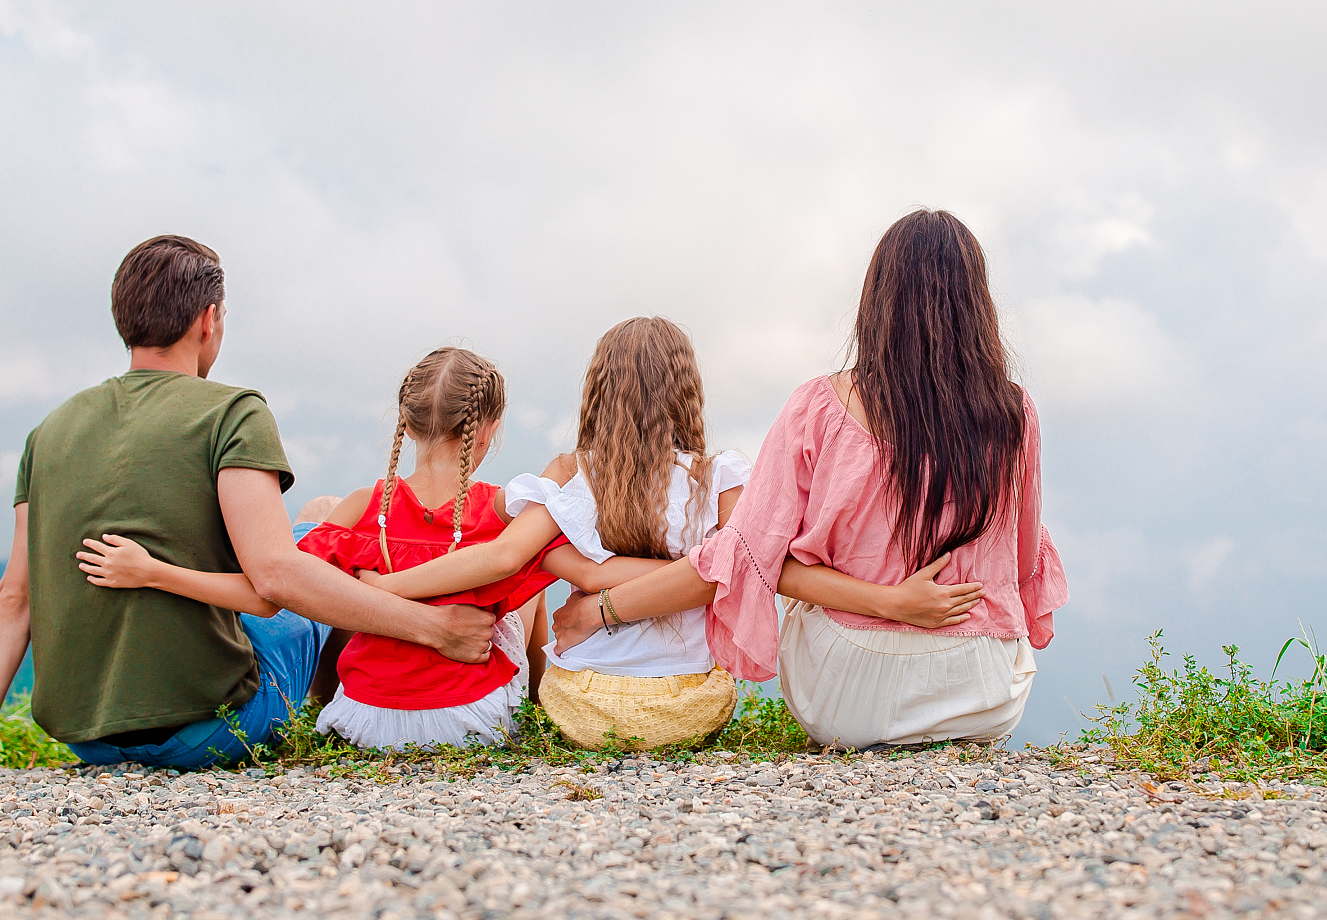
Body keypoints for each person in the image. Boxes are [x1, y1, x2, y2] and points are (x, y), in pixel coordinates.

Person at [0, 236, 495, 775]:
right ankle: (350, 722)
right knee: (319, 540)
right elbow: (278, 576)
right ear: (208, 320)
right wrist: (433, 627)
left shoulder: (47, 432)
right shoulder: (231, 412)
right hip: (211, 727)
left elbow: (13, 596)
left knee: (317, 521)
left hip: (88, 740)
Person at [552, 210, 1066, 749]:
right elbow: (1023, 560)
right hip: (981, 699)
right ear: (978, 304)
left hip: (849, 704)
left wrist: (599, 609)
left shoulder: (819, 407)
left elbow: (750, 556)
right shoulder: (1015, 413)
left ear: (878, 298)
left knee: (794, 559)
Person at [360, 315, 982, 749]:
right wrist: (693, 569)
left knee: (526, 601)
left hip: (581, 703)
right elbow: (744, 567)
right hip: (688, 707)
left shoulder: (573, 476)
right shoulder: (723, 478)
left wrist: (391, 587)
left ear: (596, 393)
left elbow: (499, 559)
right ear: (688, 390)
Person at [81, 346, 567, 750]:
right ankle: (539, 713)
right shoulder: (500, 509)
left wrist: (153, 571)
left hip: (365, 723)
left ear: (407, 422)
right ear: (489, 429)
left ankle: (322, 702)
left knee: (333, 588)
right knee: (528, 585)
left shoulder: (363, 507)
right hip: (471, 725)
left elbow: (267, 594)